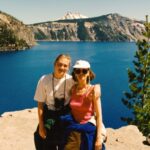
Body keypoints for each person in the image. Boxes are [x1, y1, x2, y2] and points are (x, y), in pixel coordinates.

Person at [61, 60, 106, 150]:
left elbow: (99, 116)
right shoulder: (73, 89)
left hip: (87, 126)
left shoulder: (93, 91)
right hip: (74, 125)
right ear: (75, 73)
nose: (81, 73)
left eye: (84, 71)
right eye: (78, 71)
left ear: (89, 73)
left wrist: (99, 138)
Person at [34, 54, 74, 150]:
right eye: (59, 64)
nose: (62, 67)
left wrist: (96, 88)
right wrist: (41, 126)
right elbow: (40, 104)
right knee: (41, 139)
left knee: (65, 144)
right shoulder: (44, 80)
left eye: (65, 65)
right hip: (49, 115)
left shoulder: (71, 80)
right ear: (54, 64)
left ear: (68, 67)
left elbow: (85, 87)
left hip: (64, 115)